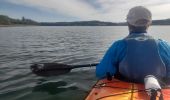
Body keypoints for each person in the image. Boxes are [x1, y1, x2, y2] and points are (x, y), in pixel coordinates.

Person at [96, 6, 170, 83]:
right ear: (149, 23)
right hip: (158, 89)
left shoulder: (118, 45)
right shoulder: (163, 45)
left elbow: (102, 73)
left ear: (128, 23)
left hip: (125, 90)